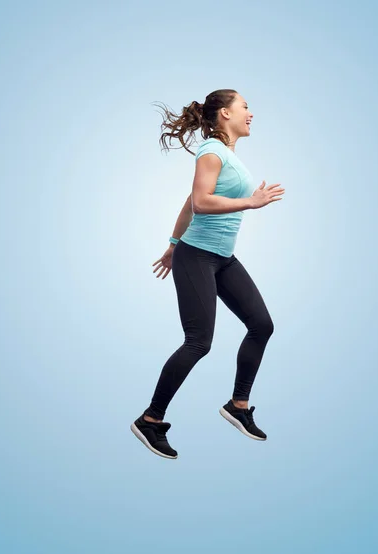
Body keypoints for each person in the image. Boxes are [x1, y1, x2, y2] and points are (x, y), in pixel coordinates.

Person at [130, 89, 285, 459]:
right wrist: (251, 201)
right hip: (197, 258)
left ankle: (238, 406)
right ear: (225, 114)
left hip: (221, 258)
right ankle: (150, 420)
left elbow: (188, 202)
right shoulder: (212, 152)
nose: (250, 113)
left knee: (262, 325)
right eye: (245, 106)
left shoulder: (227, 155)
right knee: (199, 342)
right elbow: (201, 203)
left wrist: (171, 243)